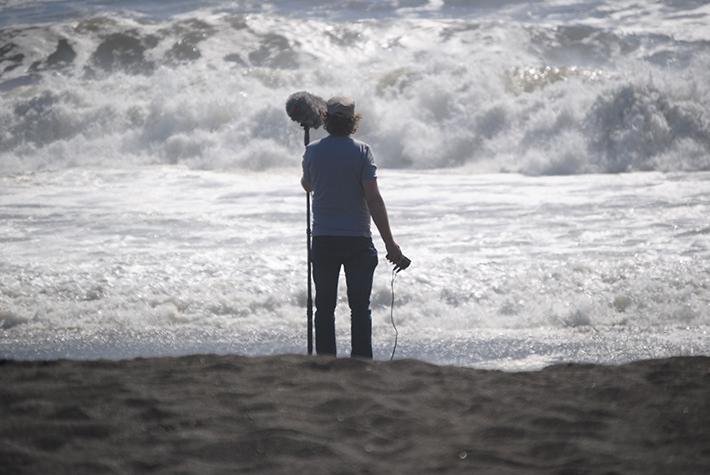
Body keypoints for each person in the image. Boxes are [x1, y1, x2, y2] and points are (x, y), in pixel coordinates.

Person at [301, 96, 403, 359]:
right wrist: (390, 244)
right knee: (360, 308)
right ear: (352, 122)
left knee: (323, 308)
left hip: (324, 239)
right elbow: (373, 199)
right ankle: (361, 362)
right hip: (358, 240)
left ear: (325, 119)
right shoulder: (362, 151)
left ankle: (325, 362)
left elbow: (308, 185)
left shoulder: (312, 151)